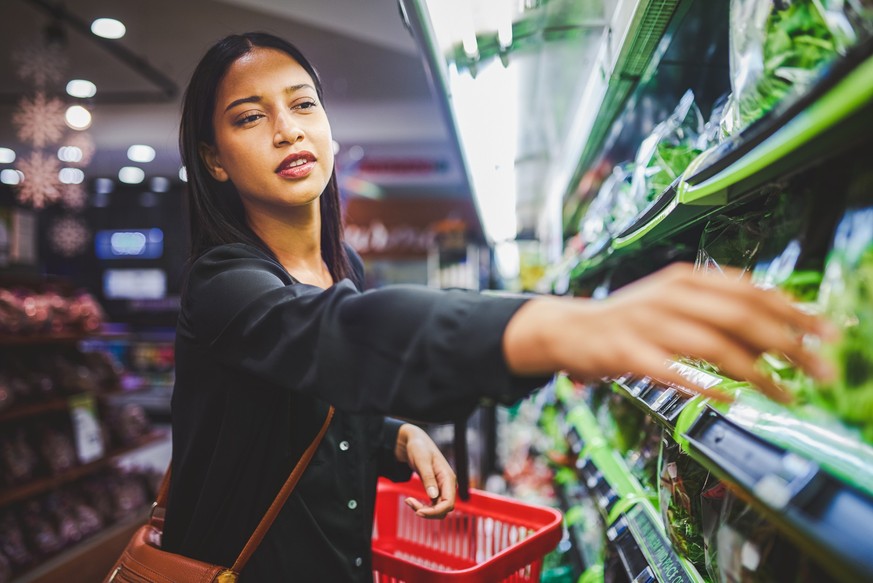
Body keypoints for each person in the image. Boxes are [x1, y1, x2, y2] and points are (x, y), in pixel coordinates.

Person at [162, 31, 836, 582]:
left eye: (302, 104)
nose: (286, 130)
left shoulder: (345, 267)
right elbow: (334, 337)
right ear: (214, 159)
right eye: (249, 117)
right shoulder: (222, 284)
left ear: (330, 132)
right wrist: (559, 325)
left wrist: (392, 435)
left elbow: (310, 393)